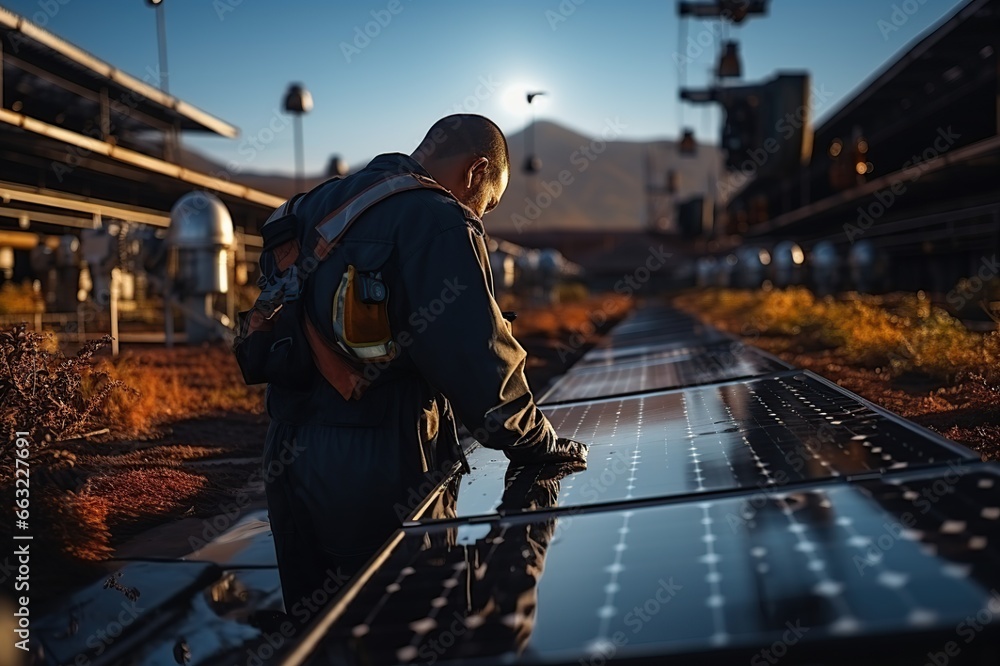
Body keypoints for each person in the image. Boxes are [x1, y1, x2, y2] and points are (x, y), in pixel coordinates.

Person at [261, 114, 588, 625]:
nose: (482, 214)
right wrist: (541, 446)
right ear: (478, 171)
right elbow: (482, 370)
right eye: (489, 202)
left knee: (315, 634)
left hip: (285, 456)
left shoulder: (314, 206)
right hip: (379, 466)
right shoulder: (437, 218)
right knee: (403, 628)